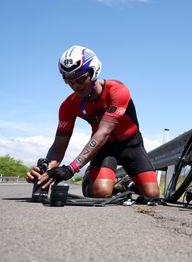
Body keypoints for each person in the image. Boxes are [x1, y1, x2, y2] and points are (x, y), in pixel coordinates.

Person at [25, 45, 160, 198]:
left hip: (131, 144)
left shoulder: (117, 90)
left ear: (94, 71)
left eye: (80, 78)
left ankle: (126, 184)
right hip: (103, 149)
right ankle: (91, 177)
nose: (75, 86)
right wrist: (46, 170)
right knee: (100, 193)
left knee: (152, 196)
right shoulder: (68, 105)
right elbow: (59, 145)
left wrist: (72, 168)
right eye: (68, 81)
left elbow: (103, 132)